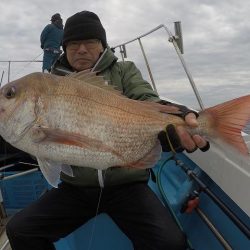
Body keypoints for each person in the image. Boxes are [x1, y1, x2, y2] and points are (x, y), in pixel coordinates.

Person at [6, 11, 209, 250]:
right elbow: (43, 146)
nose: (81, 49)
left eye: (90, 42)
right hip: (76, 188)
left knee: (170, 243)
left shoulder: (124, 71)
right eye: (73, 43)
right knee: (19, 230)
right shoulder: (51, 83)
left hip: (126, 185)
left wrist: (175, 117)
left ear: (102, 45)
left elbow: (145, 98)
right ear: (64, 47)